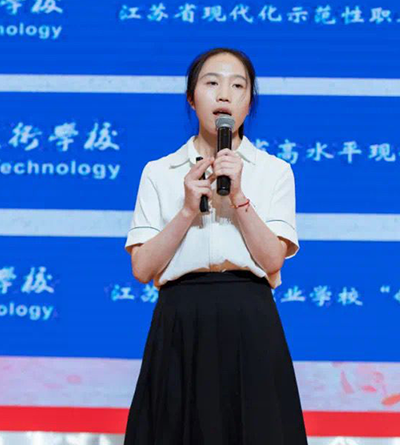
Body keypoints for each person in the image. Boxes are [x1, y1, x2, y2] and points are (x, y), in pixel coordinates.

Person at [123, 47, 308, 444]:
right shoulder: (159, 172)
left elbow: (272, 259)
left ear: (248, 102)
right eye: (212, 83)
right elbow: (142, 268)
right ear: (191, 98)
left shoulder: (274, 171)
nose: (224, 94)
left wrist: (238, 196)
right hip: (180, 320)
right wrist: (187, 209)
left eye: (237, 86)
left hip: (249, 318)